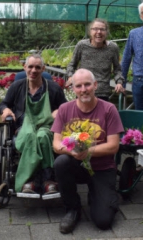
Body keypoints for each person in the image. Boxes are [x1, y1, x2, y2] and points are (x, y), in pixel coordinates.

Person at [52, 68, 123, 234]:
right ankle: (72, 209)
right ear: (73, 89)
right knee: (61, 162)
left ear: (95, 85)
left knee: (103, 221)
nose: (83, 89)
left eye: (87, 85)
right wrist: (73, 152)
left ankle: (101, 196)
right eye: (78, 86)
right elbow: (56, 144)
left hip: (102, 168)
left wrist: (88, 151)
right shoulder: (64, 109)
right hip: (76, 165)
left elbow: (114, 146)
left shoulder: (109, 109)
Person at [0, 54, 67, 194]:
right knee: (30, 135)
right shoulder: (17, 86)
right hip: (23, 127)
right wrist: (5, 110)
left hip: (46, 127)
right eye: (30, 67)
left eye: (37, 67)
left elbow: (66, 107)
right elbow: (4, 104)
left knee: (42, 136)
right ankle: (37, 181)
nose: (33, 70)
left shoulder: (53, 88)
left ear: (43, 68)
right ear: (25, 68)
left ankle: (39, 181)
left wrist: (59, 111)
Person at [66, 18, 125, 101]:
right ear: (90, 31)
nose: (99, 32)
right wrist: (70, 77)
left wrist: (119, 82)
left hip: (103, 93)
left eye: (102, 29)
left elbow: (117, 69)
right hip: (84, 91)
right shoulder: (82, 45)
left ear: (107, 32)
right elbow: (72, 64)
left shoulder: (112, 48)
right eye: (95, 29)